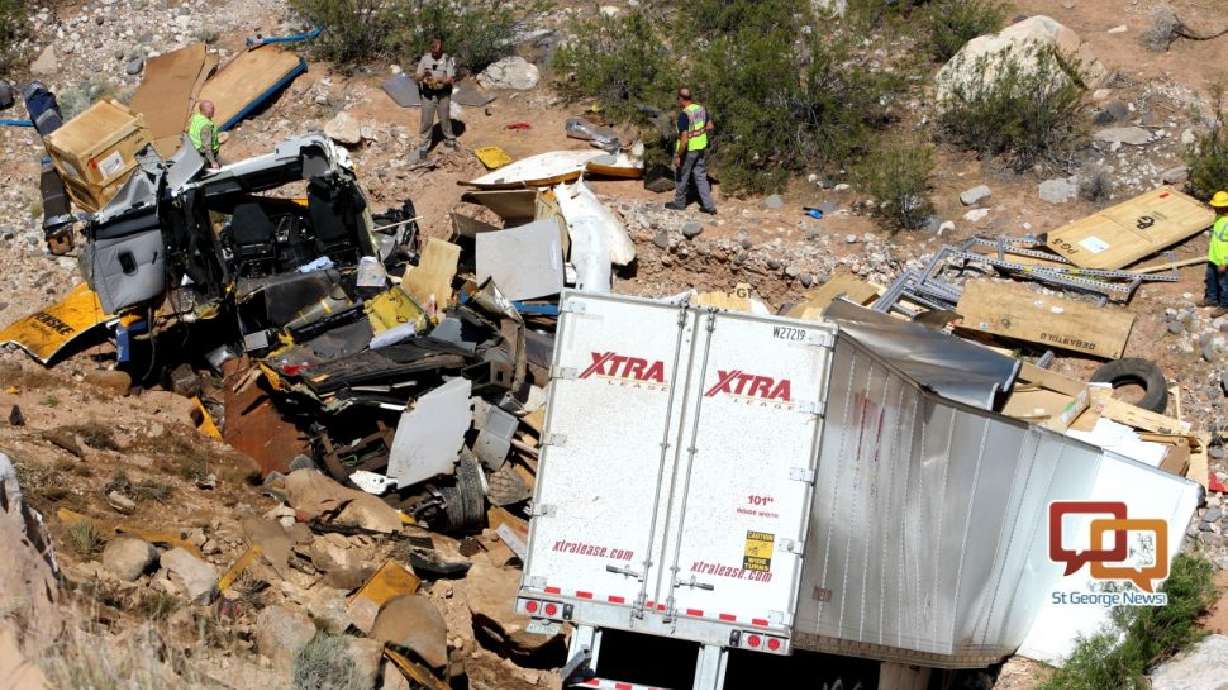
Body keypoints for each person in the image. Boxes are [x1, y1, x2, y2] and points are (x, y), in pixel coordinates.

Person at [665, 88, 716, 215]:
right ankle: (709, 206)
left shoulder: (684, 115)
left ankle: (679, 203)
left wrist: (678, 155)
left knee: (682, 176)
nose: (678, 102)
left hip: (688, 150)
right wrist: (699, 132)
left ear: (681, 99)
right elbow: (710, 126)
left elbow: (684, 140)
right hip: (701, 148)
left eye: (678, 99)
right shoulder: (701, 109)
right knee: (701, 176)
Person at [415, 37, 458, 160]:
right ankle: (424, 146)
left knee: (445, 118)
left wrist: (440, 81)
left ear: (441, 50)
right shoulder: (425, 59)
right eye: (433, 52)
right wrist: (424, 75)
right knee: (427, 121)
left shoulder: (447, 59)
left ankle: (449, 139)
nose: (435, 54)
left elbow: (450, 79)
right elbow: (417, 78)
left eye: (437, 52)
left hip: (443, 94)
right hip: (428, 95)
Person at [1202, 190, 1228, 316]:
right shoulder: (1218, 217)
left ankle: (1224, 305)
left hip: (1224, 261)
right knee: (1211, 279)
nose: (1214, 209)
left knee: (1225, 283)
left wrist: (1224, 262)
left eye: (1217, 207)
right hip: (1214, 257)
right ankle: (1212, 299)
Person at [187, 100, 222, 168]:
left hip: (195, 149)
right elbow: (207, 147)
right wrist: (213, 162)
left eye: (213, 109)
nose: (213, 111)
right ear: (205, 111)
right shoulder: (206, 126)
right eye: (211, 109)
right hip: (204, 154)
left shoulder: (197, 117)